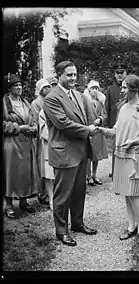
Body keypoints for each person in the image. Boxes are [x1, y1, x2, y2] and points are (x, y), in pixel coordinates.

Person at [43, 61, 98, 247]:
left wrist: (93, 125)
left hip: (81, 151)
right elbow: (63, 123)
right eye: (69, 75)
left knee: (79, 191)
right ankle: (61, 231)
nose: (73, 78)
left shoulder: (78, 95)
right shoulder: (51, 98)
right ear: (59, 75)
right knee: (62, 194)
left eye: (75, 74)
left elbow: (85, 117)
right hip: (64, 153)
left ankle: (77, 223)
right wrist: (87, 130)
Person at [99, 74, 139, 245]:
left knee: (135, 194)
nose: (122, 90)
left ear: (133, 89)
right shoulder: (123, 108)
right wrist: (102, 130)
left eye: (125, 87)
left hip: (136, 158)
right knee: (126, 193)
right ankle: (131, 226)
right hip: (121, 156)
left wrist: (135, 141)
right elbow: (116, 130)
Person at [3, 74, 40, 218]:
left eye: (20, 85)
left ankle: (24, 201)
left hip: (26, 143)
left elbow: (33, 119)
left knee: (25, 173)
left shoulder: (25, 102)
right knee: (11, 174)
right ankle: (9, 205)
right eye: (15, 85)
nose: (19, 88)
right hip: (11, 144)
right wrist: (19, 128)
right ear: (9, 88)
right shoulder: (4, 103)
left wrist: (34, 128)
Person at [105, 63, 128, 178]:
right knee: (115, 148)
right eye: (117, 73)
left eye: (122, 73)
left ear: (126, 73)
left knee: (126, 147)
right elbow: (107, 107)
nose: (120, 75)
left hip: (127, 123)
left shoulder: (130, 87)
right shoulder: (110, 89)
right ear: (114, 75)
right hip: (115, 123)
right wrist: (108, 125)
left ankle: (125, 171)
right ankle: (115, 171)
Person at [31, 78, 52, 205]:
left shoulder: (49, 101)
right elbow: (36, 122)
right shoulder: (36, 103)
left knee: (48, 166)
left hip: (50, 137)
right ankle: (42, 192)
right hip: (40, 137)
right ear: (40, 90)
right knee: (42, 164)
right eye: (45, 87)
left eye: (49, 87)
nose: (48, 89)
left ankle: (46, 193)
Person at [84, 80, 108, 186]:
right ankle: (88, 176)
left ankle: (95, 174)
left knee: (96, 155)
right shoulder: (85, 101)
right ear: (89, 89)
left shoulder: (101, 101)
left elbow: (105, 114)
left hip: (98, 130)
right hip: (89, 130)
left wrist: (101, 119)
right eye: (92, 88)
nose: (94, 90)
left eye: (96, 88)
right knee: (89, 154)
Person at [38, 108, 54, 210]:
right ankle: (51, 198)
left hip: (62, 144)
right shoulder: (43, 111)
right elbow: (43, 130)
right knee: (49, 174)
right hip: (49, 144)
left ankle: (58, 196)